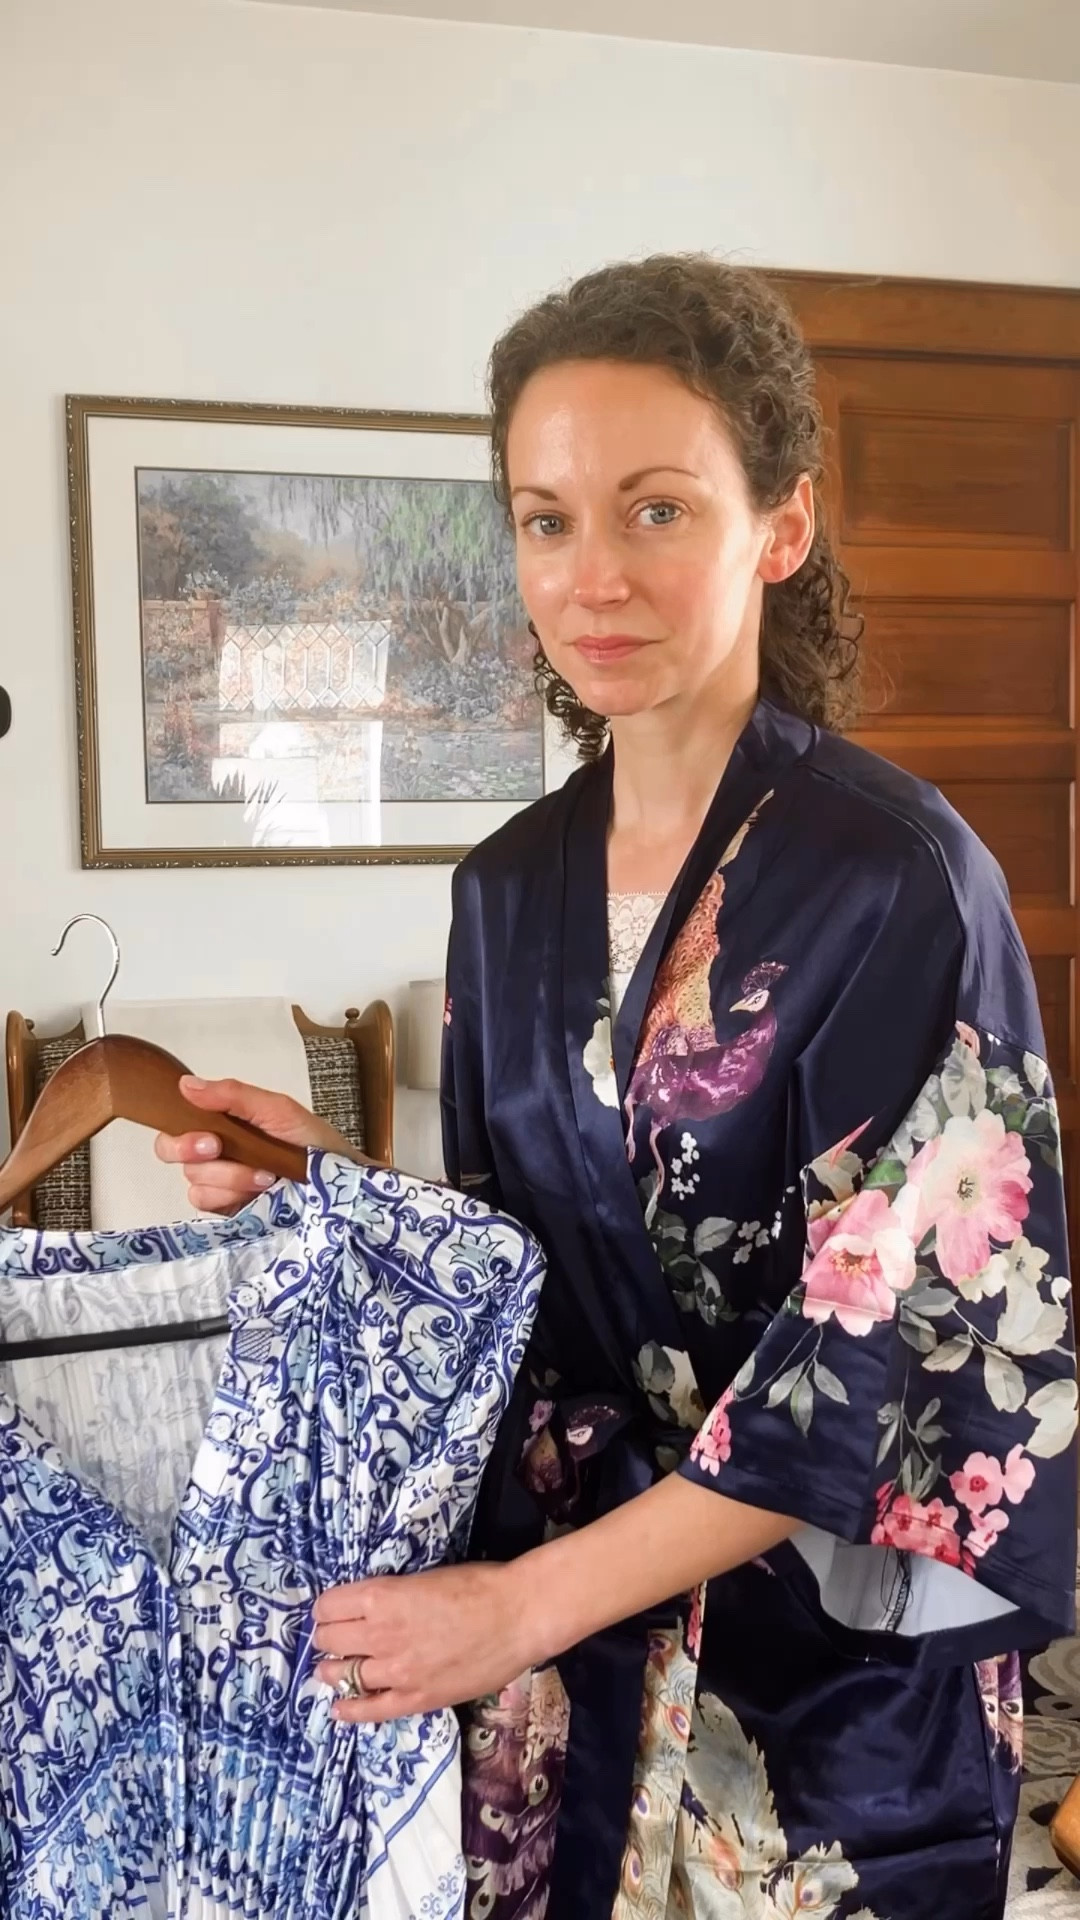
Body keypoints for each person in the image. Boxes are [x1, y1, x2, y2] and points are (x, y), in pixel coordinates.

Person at [157, 255, 1077, 1920]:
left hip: (821, 1677)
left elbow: (876, 1356)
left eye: (657, 510)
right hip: (566, 1653)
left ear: (778, 527)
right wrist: (333, 1185)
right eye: (545, 518)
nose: (594, 577)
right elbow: (538, 1254)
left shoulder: (896, 882)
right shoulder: (505, 888)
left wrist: (514, 1610)